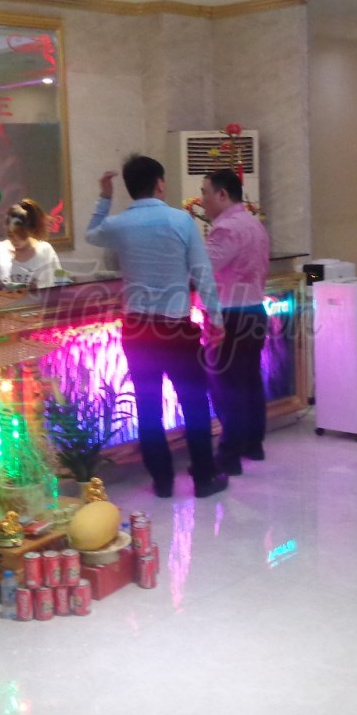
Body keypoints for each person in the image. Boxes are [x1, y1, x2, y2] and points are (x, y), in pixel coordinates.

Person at [86, 154, 228, 499]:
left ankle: (162, 481)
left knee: (148, 406)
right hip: (177, 330)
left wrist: (104, 197)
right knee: (194, 403)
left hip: (137, 330)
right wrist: (216, 319)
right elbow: (203, 274)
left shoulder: (119, 225)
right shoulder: (181, 221)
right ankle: (204, 478)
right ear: (160, 184)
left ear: (130, 188)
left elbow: (91, 234)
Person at [200, 169, 270, 475]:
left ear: (222, 194)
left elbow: (203, 268)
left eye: (205, 192)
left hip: (231, 315)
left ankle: (229, 456)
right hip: (255, 310)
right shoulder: (254, 223)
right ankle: (253, 444)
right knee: (250, 381)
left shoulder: (226, 229)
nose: (202, 200)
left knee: (227, 386)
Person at [0, 199, 61, 287]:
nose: (15, 240)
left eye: (21, 235)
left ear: (31, 230)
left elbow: (59, 283)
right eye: (11, 235)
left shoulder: (45, 251)